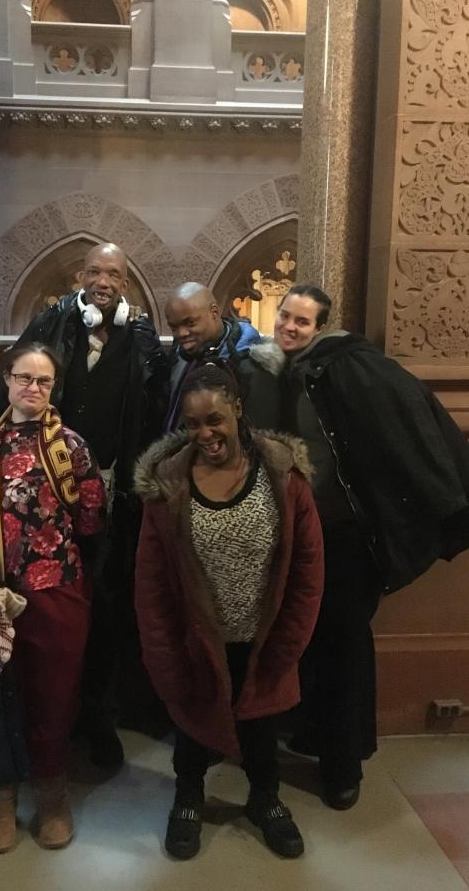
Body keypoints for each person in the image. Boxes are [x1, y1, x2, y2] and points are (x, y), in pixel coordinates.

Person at [273, 284, 469, 810]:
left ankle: (344, 764)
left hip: (349, 539)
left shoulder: (350, 367)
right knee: (307, 638)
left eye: (302, 321)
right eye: (285, 315)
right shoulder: (286, 372)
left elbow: (405, 424)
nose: (289, 326)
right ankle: (316, 735)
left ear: (321, 327)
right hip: (307, 533)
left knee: (345, 642)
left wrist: (432, 498)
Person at [0, 242, 169, 766]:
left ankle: (95, 718)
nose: (104, 280)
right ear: (81, 276)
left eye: (114, 274)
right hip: (37, 485)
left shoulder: (140, 338)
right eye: (95, 271)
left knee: (103, 611)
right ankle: (23, 744)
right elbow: (5, 387)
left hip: (106, 497)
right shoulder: (50, 324)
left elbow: (155, 407)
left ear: (125, 283)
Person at [134, 363, 324, 860]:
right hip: (196, 639)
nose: (205, 434)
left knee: (260, 727)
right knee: (194, 722)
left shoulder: (284, 480)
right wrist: (163, 656)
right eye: (194, 424)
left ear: (238, 411)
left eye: (215, 419)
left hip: (263, 638)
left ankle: (266, 797)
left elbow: (308, 569)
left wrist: (289, 642)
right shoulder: (169, 488)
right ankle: (189, 795)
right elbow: (151, 584)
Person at [0, 342, 107, 853]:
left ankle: (51, 791)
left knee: (53, 694)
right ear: (7, 378)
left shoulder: (71, 447)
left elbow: (90, 520)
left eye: (44, 381)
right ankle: (0, 792)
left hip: (56, 590)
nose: (33, 389)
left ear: (53, 387)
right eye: (25, 378)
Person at [164, 282, 283, 432]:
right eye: (174, 327)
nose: (181, 333)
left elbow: (260, 438)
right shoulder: (180, 355)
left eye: (190, 323)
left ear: (214, 312)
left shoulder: (252, 368)